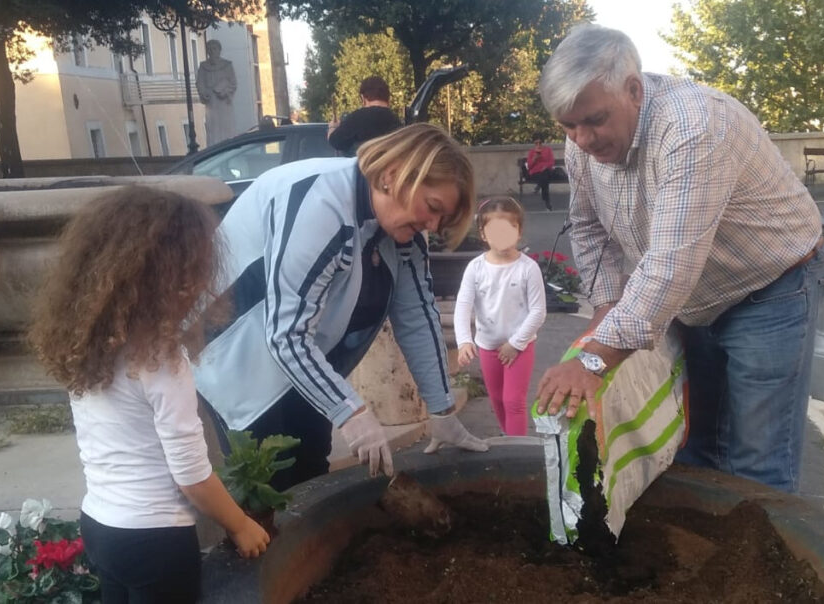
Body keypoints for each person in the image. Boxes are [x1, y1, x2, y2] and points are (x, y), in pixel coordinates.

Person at [533, 24, 824, 493]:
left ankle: (756, 562)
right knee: (696, 444)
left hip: (772, 288)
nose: (581, 139)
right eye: (568, 126)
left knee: (757, 461)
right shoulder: (583, 133)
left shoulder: (693, 127)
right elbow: (589, 226)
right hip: (695, 298)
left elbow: (668, 267)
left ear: (633, 89)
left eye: (593, 121)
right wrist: (606, 312)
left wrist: (592, 359)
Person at [193, 123, 489, 493]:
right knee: (269, 494)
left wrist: (441, 408)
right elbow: (287, 335)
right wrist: (351, 413)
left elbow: (417, 314)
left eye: (441, 219)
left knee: (313, 478)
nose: (432, 224)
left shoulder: (401, 229)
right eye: (431, 208)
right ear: (394, 175)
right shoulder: (321, 203)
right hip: (241, 363)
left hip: (309, 362)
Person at [29, 186, 270, 603]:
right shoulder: (161, 361)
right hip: (155, 539)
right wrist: (240, 525)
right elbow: (193, 478)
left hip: (101, 524)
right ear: (172, 276)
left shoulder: (85, 344)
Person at [454, 197, 547, 436]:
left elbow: (538, 311)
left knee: (513, 401)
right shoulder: (476, 268)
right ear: (483, 234)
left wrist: (516, 344)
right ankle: (511, 444)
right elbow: (464, 305)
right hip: (488, 345)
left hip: (520, 346)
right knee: (496, 399)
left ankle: (519, 452)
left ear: (519, 231)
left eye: (509, 229)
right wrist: (464, 340)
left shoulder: (528, 268)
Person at [327, 76, 402, 156]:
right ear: (388, 98)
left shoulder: (356, 118)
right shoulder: (397, 122)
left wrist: (333, 127)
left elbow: (335, 142)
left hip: (363, 167)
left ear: (363, 98)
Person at [196, 39, 238, 146]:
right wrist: (203, 92)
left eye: (214, 49)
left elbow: (233, 83)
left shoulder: (227, 65)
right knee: (212, 127)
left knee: (226, 126)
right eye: (209, 49)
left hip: (224, 101)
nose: (212, 51)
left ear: (219, 50)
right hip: (211, 102)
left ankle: (228, 146)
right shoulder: (203, 66)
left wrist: (225, 91)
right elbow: (199, 82)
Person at [526, 134, 556, 210]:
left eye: (540, 143)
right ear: (534, 143)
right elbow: (529, 166)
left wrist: (546, 166)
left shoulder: (548, 150)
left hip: (546, 171)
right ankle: (547, 203)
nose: (538, 145)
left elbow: (552, 162)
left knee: (545, 174)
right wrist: (534, 159)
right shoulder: (532, 152)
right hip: (536, 173)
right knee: (545, 178)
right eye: (536, 143)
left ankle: (538, 186)